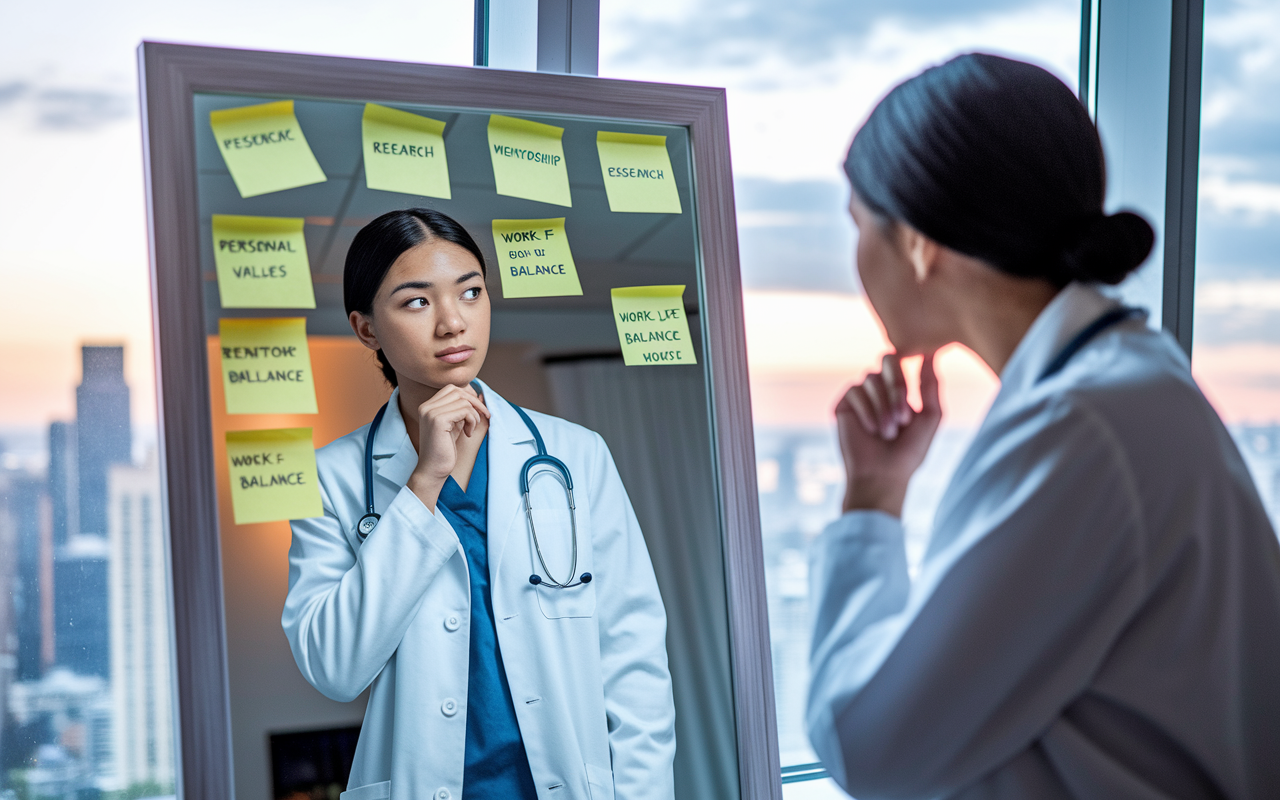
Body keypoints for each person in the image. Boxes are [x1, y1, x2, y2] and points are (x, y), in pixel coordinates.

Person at [806, 53, 1280, 799]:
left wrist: (871, 499)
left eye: (860, 225)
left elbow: (869, 746)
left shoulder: (1082, 428)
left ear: (920, 244)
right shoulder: (1125, 382)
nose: (856, 259)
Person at [281, 208, 675, 800]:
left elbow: (633, 654)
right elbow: (335, 667)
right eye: (417, 302)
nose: (452, 323)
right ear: (367, 329)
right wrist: (422, 484)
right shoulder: (330, 478)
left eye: (470, 293)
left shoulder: (575, 455)